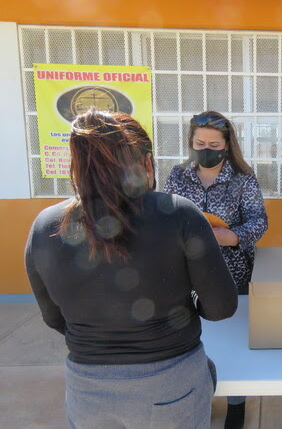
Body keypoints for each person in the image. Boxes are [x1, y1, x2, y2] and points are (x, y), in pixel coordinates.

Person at [25, 109, 238, 429]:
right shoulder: (179, 214)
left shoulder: (45, 227)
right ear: (147, 164)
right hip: (171, 387)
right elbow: (221, 307)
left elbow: (54, 318)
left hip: (87, 393)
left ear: (79, 166)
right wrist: (188, 302)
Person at [164, 110, 268, 429]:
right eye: (200, 143)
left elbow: (259, 221)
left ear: (226, 145)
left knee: (232, 341)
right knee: (193, 341)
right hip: (184, 276)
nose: (206, 150)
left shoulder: (242, 178)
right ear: (191, 142)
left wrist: (231, 237)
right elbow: (164, 215)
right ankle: (200, 395)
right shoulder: (179, 175)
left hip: (232, 273)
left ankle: (236, 402)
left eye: (214, 145)